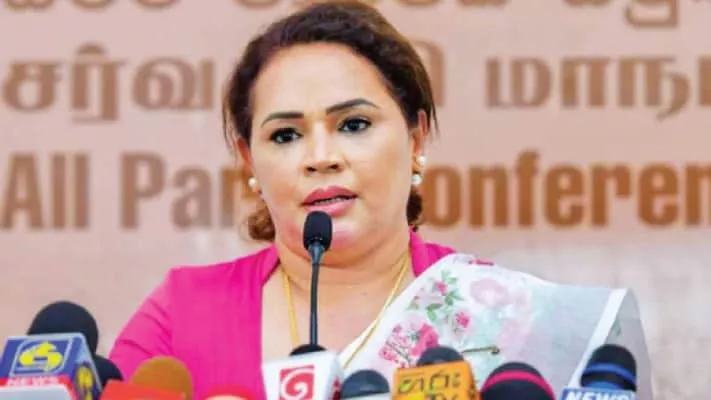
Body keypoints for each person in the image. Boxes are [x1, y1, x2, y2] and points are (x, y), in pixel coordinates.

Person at [109, 1, 653, 399]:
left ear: (415, 139)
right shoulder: (183, 316)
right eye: (285, 135)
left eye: (353, 124)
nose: (321, 157)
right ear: (249, 161)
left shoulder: (509, 317)